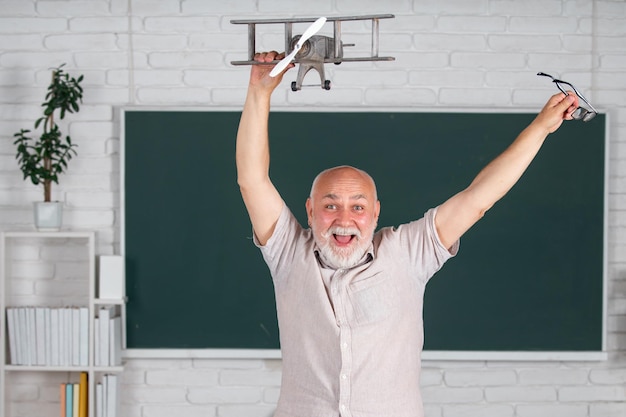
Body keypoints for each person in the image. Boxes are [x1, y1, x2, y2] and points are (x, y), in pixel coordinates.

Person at [235, 51, 580, 417]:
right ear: (309, 211)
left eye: (358, 206)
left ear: (376, 212)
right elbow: (251, 179)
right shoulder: (289, 253)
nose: (345, 218)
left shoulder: (407, 252)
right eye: (330, 205)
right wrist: (259, 93)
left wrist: (541, 127)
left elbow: (477, 199)